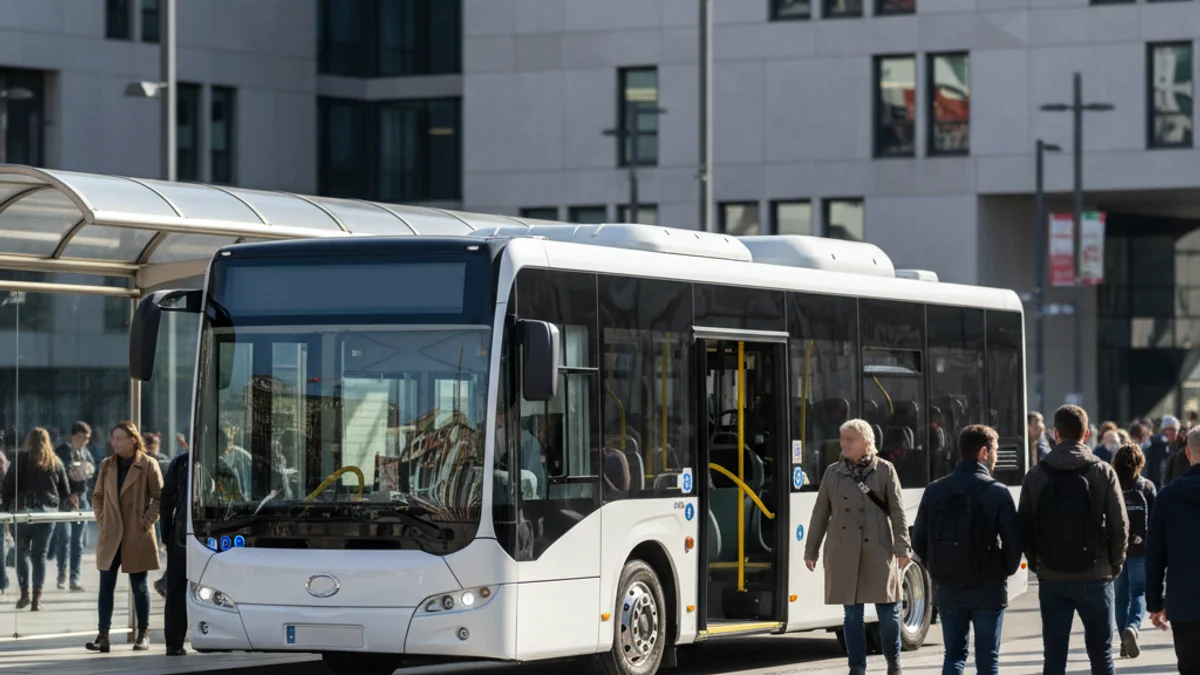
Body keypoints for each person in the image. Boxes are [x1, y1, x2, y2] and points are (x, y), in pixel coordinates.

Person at [1019, 404, 1128, 675]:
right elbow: (1120, 526)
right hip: (1096, 573)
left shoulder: (1036, 475)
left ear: (1055, 434)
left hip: (1052, 577)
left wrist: (1039, 564)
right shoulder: (1103, 471)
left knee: (1054, 658)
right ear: (1087, 434)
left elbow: (1024, 527)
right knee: (1102, 656)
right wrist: (1114, 565)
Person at [912, 425, 1021, 675]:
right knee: (987, 659)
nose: (996, 457)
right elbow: (1014, 544)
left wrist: (940, 567)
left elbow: (918, 541)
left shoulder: (934, 490)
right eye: (995, 451)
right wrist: (1000, 569)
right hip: (988, 587)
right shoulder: (998, 492)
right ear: (984, 452)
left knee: (954, 655)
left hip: (949, 586)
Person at [805, 419, 910, 675]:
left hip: (879, 550)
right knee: (852, 617)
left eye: (849, 439)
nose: (843, 444)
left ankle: (893, 663)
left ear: (866, 442)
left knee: (888, 614)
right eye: (842, 438)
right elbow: (820, 513)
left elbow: (897, 512)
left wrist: (902, 547)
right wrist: (811, 550)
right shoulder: (833, 472)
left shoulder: (885, 470)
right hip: (843, 552)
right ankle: (857, 668)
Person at [86, 421, 163, 654]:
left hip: (136, 533)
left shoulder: (148, 464)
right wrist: (103, 520)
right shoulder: (106, 465)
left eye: (120, 438)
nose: (115, 443)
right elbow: (97, 496)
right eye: (113, 438)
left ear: (133, 439)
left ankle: (143, 634)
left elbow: (160, 497)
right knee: (105, 586)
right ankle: (103, 635)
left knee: (139, 585)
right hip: (111, 533)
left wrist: (145, 522)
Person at [1147, 425, 1200, 673]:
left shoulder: (1167, 496)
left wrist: (1155, 602)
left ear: (1188, 454)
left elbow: (1155, 555)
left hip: (1184, 602)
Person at [2, 428, 71, 610]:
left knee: (21, 551)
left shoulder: (21, 460)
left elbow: (9, 485)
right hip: (47, 513)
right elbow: (65, 490)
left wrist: (5, 508)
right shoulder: (55, 462)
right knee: (39, 555)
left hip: (23, 511)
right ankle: (37, 598)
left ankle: (24, 593)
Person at [1111, 442, 1155, 659]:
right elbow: (1155, 520)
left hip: (1118, 548)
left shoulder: (1113, 485)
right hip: (1141, 548)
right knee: (1139, 591)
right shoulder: (1147, 487)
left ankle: (1123, 641)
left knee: (1120, 597)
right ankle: (1133, 627)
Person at [52, 421, 94, 592]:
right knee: (65, 538)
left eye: (86, 439)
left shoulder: (86, 454)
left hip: (82, 500)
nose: (83, 441)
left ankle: (74, 578)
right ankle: (62, 574)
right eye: (80, 438)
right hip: (64, 501)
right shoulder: (62, 452)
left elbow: (91, 473)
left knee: (78, 541)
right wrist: (69, 493)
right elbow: (57, 475)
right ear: (72, 436)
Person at [159, 444, 189, 656]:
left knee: (176, 590)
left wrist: (166, 535)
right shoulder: (219, 463)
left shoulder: (180, 463)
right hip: (213, 535)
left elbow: (166, 501)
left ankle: (174, 643)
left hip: (180, 534)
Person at [1144, 416, 1178, 490]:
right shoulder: (1155, 446)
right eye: (1167, 429)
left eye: (1172, 430)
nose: (1169, 433)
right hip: (1157, 485)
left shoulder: (1180, 447)